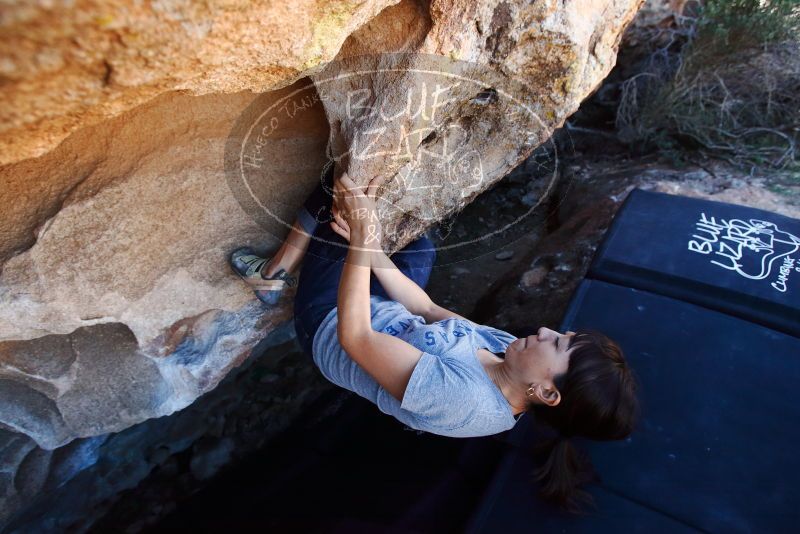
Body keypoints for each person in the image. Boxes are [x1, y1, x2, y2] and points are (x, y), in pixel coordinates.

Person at [230, 161, 639, 510]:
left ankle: (271, 274)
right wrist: (371, 247)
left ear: (548, 393)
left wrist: (359, 240)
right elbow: (427, 310)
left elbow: (356, 337)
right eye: (560, 333)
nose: (546, 330)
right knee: (419, 246)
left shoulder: (465, 403)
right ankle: (343, 247)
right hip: (387, 314)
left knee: (334, 197)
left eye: (557, 344)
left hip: (331, 324)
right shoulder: (509, 356)